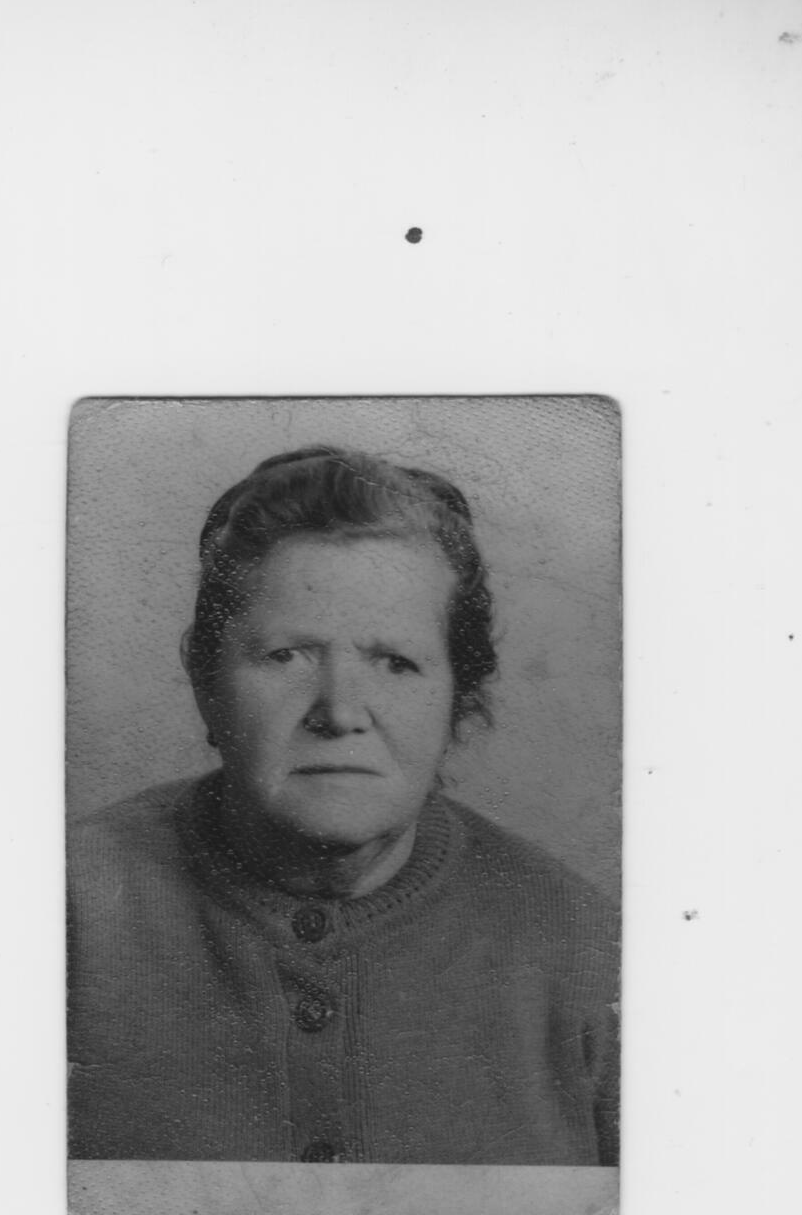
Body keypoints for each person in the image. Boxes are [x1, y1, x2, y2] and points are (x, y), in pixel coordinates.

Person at [67, 446, 620, 1165]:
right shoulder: (61, 915)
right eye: (286, 655)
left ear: (457, 697)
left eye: (395, 662)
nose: (340, 711)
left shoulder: (584, 950)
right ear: (206, 681)